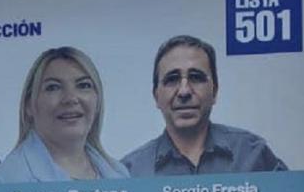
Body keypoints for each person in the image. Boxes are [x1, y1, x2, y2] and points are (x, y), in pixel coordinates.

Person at [123, 35, 288, 175]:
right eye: (172, 79)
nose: (184, 91)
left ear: (214, 91)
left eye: (196, 77)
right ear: (156, 96)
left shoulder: (252, 154)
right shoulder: (130, 172)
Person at [0, 46, 129, 183]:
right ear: (29, 105)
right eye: (53, 87)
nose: (71, 98)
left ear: (98, 100)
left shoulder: (119, 174)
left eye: (83, 85)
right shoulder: (6, 181)